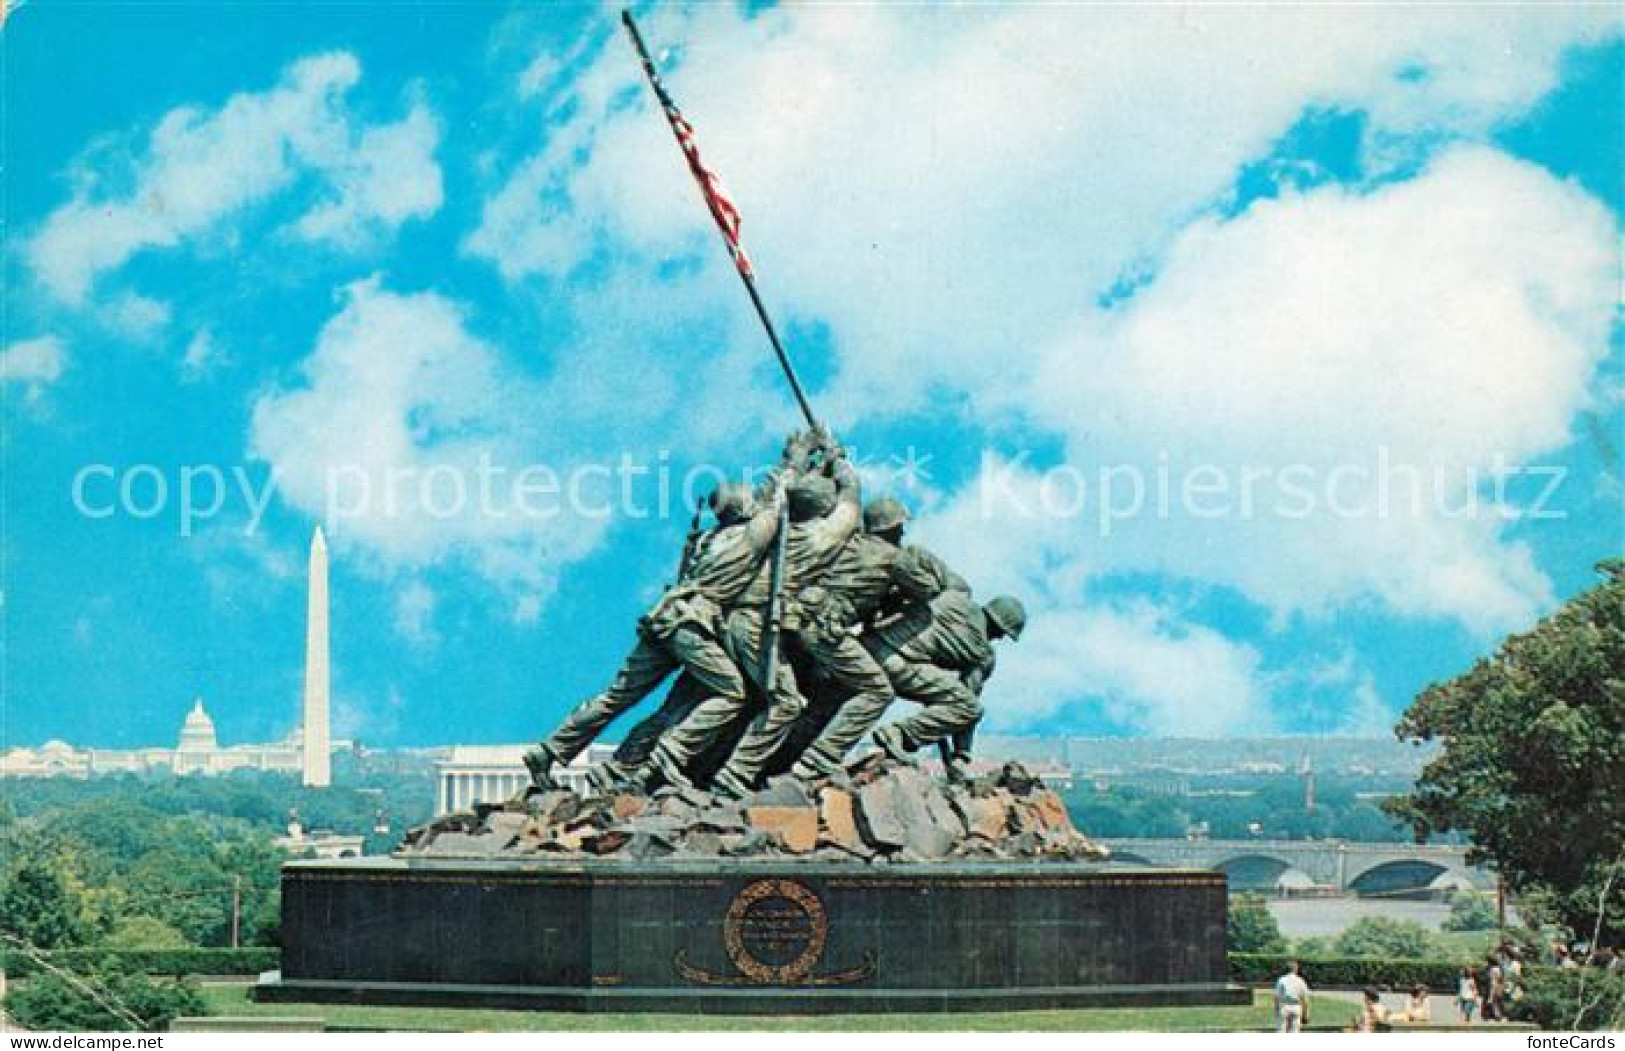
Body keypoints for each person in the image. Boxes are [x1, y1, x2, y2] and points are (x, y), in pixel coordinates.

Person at [522, 463, 792, 790]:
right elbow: (777, 506)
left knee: (617, 696)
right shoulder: (748, 538)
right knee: (732, 692)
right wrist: (793, 466)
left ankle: (550, 749)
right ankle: (671, 753)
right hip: (691, 624)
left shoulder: (710, 538)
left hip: (664, 618)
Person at [641, 439, 862, 796]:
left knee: (723, 697)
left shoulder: (762, 530)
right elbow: (851, 498)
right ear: (823, 509)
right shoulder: (819, 536)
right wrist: (838, 461)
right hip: (755, 626)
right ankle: (733, 773)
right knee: (785, 702)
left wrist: (799, 460)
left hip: (726, 624)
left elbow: (771, 495)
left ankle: (667, 763)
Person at [784, 496, 958, 779]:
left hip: (799, 621)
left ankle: (783, 759)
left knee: (827, 695)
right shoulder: (894, 557)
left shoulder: (850, 544)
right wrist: (921, 559)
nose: (902, 532)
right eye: (900, 527)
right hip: (825, 629)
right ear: (890, 528)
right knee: (878, 691)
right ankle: (818, 759)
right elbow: (929, 590)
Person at [867, 593, 1026, 765]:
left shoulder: (953, 597)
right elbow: (967, 702)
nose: (1000, 638)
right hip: (896, 663)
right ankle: (898, 734)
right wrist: (961, 753)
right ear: (997, 626)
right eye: (1002, 632)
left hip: (867, 646)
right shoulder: (983, 652)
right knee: (970, 707)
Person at [1273, 960, 1311, 1032]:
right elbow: (1305, 999)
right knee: (1294, 1031)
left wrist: (1276, 1010)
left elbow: (1276, 997)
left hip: (1284, 1006)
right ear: (1295, 969)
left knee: (1281, 1030)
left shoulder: (1281, 980)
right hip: (1296, 1007)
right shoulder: (1300, 981)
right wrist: (1306, 1014)